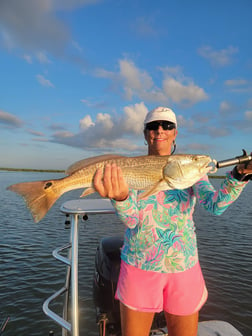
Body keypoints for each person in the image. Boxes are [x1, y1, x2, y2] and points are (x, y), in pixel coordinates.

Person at [93, 106, 252, 336]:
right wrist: (121, 197)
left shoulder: (192, 169)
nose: (160, 130)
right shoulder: (131, 171)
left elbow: (215, 205)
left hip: (183, 267)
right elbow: (131, 220)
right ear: (145, 132)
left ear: (175, 132)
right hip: (140, 265)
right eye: (153, 125)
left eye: (167, 125)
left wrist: (239, 175)